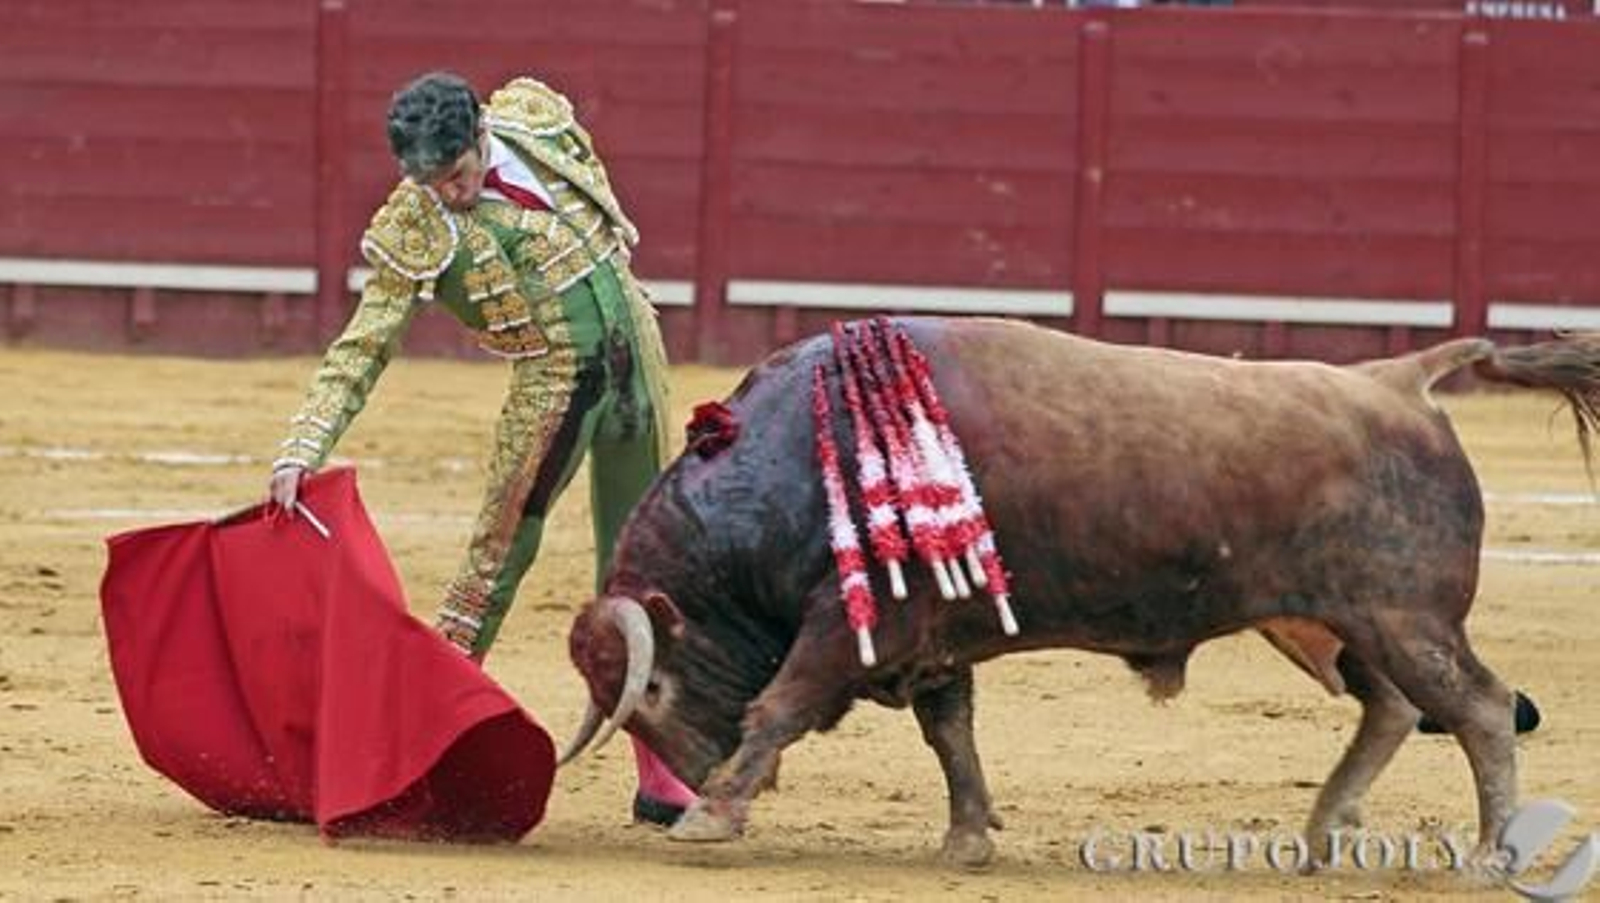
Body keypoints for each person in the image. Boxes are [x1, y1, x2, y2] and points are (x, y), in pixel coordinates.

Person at [267, 70, 695, 827]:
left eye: (458, 175)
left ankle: (660, 773)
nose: (451, 196)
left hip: (639, 359)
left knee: (645, 568)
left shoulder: (538, 121)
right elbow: (362, 347)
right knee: (491, 568)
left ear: (481, 137)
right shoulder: (414, 223)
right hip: (553, 385)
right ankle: (416, 749)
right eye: (433, 185)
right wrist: (304, 444)